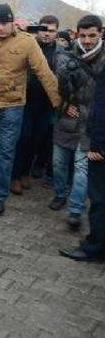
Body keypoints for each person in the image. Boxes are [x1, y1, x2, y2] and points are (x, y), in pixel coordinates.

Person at [0, 4, 61, 214]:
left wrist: (58, 103)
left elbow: (44, 72)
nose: (1, 28)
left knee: (5, 150)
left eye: (5, 23)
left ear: (13, 22)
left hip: (13, 105)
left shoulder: (27, 42)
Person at [51, 15, 105, 229]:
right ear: (77, 34)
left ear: (100, 33)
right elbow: (55, 88)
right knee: (58, 163)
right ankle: (60, 193)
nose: (87, 40)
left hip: (92, 123)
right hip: (67, 119)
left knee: (82, 168)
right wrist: (64, 106)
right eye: (83, 35)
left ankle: (75, 210)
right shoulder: (65, 57)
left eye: (92, 35)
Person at [59, 42, 105, 261]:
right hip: (87, 130)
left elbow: (101, 107)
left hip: (98, 142)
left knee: (98, 198)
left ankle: (95, 247)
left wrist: (98, 145)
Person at [11, 15, 64, 195]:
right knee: (22, 138)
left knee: (36, 140)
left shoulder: (61, 52)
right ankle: (14, 176)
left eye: (51, 31)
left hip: (47, 104)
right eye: (44, 29)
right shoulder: (27, 45)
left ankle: (25, 173)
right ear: (38, 30)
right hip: (25, 100)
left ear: (57, 32)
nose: (47, 34)